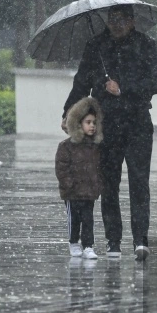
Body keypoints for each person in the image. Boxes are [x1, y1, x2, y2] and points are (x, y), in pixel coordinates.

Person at [62, 4, 157, 261]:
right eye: (112, 19)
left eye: (121, 19)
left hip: (138, 122)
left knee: (139, 182)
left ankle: (141, 238)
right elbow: (81, 83)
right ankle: (113, 241)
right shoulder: (96, 46)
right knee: (108, 184)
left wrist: (124, 88)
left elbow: (156, 82)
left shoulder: (146, 45)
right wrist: (68, 112)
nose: (116, 24)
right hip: (106, 125)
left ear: (132, 21)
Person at [55, 96, 103, 260]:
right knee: (74, 219)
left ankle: (88, 245)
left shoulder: (95, 147)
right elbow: (62, 167)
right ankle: (74, 242)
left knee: (88, 219)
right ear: (79, 124)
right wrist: (69, 185)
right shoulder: (66, 147)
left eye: (94, 123)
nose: (92, 126)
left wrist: (97, 185)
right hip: (72, 192)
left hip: (89, 191)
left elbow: (98, 168)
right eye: (88, 122)